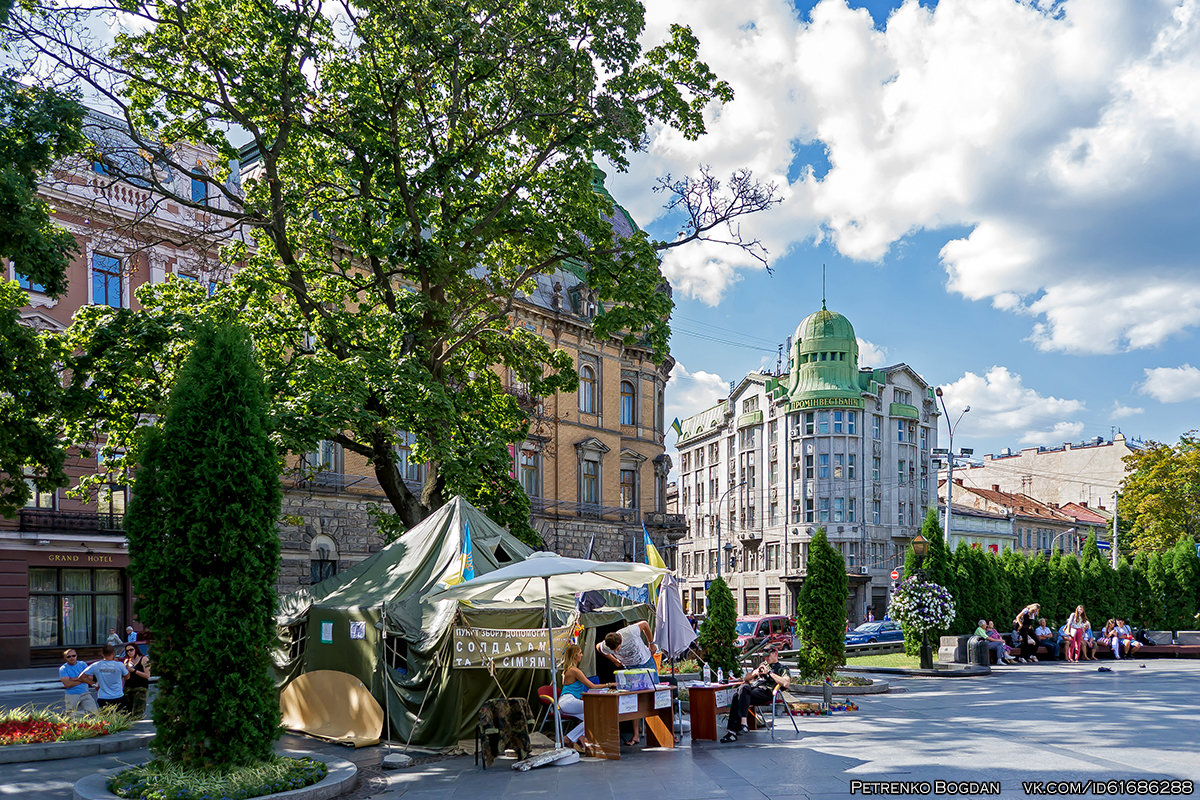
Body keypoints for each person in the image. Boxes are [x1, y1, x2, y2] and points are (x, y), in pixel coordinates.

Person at [720, 646, 789, 742]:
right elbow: (746, 678)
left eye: (768, 656)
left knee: (738, 695)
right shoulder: (763, 664)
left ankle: (733, 730)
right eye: (764, 657)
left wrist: (769, 673)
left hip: (766, 692)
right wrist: (755, 673)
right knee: (740, 692)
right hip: (753, 690)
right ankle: (742, 724)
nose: (766, 659)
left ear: (775, 654)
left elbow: (786, 683)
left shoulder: (782, 668)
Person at [557, 643, 614, 753]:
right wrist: (610, 684)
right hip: (568, 701)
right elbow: (592, 686)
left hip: (567, 701)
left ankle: (581, 737)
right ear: (575, 656)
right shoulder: (575, 671)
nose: (582, 655)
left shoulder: (567, 670)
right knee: (597, 714)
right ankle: (568, 738)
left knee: (594, 719)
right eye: (580, 653)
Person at [82, 644, 129, 709]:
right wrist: (126, 667)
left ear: (102, 654)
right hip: (118, 695)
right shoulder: (119, 665)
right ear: (113, 653)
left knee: (106, 718)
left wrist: (94, 684)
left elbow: (82, 676)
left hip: (103, 696)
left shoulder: (96, 665)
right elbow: (127, 676)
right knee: (119, 717)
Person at [59, 649, 98, 716]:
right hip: (72, 695)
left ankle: (72, 714)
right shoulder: (63, 668)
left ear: (76, 656)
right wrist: (83, 679)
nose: (72, 658)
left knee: (94, 713)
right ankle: (69, 715)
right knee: (70, 717)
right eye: (69, 657)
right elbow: (67, 684)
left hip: (85, 693)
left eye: (73, 656)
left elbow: (90, 678)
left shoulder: (82, 664)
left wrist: (73, 679)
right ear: (65, 658)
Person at [122, 643, 151, 717]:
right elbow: (124, 676)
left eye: (131, 650)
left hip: (140, 687)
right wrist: (122, 687)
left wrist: (134, 671)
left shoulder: (144, 659)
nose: (129, 652)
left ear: (136, 650)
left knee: (137, 712)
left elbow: (147, 675)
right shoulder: (126, 661)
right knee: (127, 712)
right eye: (127, 651)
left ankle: (138, 727)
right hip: (128, 688)